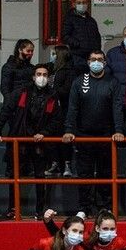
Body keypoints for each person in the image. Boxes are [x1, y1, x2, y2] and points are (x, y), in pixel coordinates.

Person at [0, 64, 62, 220]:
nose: (41, 77)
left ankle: (40, 211)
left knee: (40, 177)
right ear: (33, 76)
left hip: (40, 143)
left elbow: (56, 120)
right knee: (14, 176)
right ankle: (12, 209)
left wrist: (44, 133)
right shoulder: (21, 92)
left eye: (45, 74)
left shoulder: (52, 95)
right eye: (39, 74)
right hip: (20, 139)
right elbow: (6, 111)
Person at [62, 50, 125, 217]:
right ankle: (84, 208)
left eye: (99, 59)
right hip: (84, 136)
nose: (96, 62)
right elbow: (72, 108)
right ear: (88, 62)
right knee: (85, 175)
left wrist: (119, 130)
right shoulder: (78, 82)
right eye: (93, 59)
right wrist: (69, 130)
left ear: (104, 63)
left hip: (106, 136)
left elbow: (117, 108)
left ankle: (105, 207)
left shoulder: (113, 82)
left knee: (106, 174)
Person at [45, 45, 78, 177]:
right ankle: (55, 163)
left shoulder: (69, 71)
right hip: (50, 109)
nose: (52, 56)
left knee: (64, 138)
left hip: (63, 109)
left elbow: (66, 90)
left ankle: (67, 164)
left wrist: (51, 90)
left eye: (54, 54)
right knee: (51, 138)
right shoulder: (52, 69)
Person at [61, 0, 102, 72]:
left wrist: (98, 50)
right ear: (74, 5)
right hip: (77, 55)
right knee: (79, 75)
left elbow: (97, 36)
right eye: (79, 3)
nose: (82, 5)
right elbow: (65, 36)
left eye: (84, 2)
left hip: (91, 55)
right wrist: (77, 44)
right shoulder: (69, 19)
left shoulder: (91, 20)